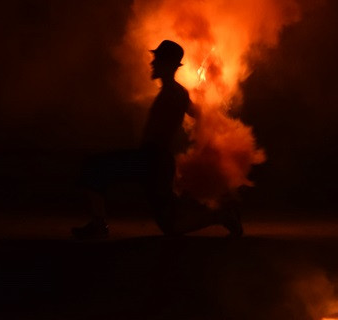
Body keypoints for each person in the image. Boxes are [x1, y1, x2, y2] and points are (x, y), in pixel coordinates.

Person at [72, 39, 242, 240]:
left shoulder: (173, 93)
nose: (152, 63)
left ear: (168, 64)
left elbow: (192, 116)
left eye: (157, 59)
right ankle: (221, 216)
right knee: (171, 226)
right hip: (154, 161)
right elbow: (197, 113)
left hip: (152, 161)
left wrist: (213, 121)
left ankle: (221, 215)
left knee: (94, 167)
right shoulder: (175, 92)